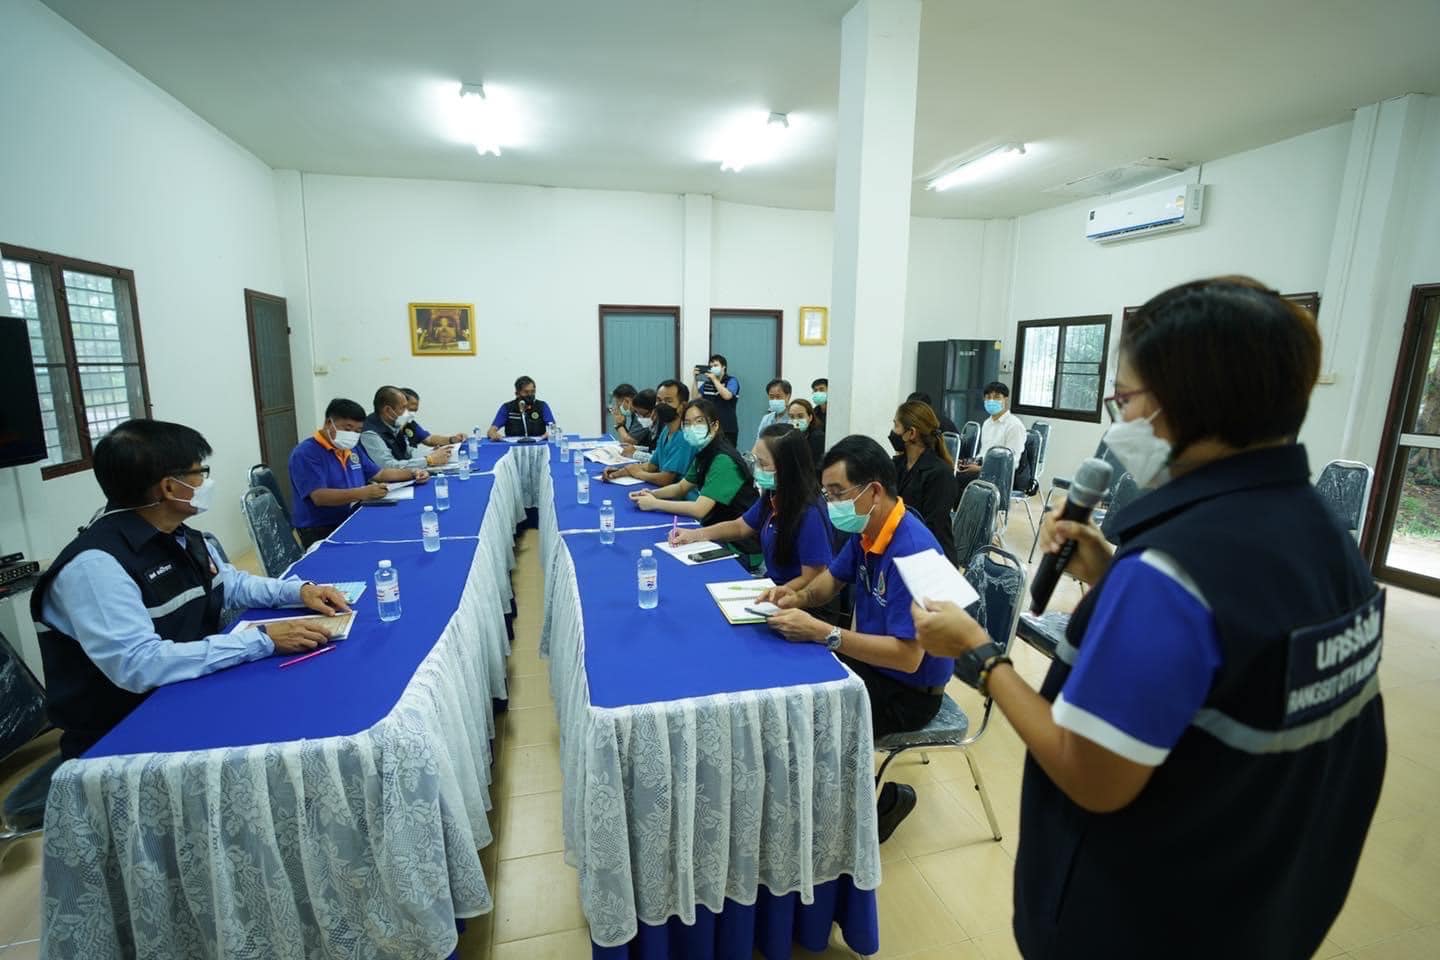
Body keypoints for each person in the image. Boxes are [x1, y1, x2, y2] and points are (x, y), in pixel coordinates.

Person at [908, 277, 1386, 958]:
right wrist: (1111, 574)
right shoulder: (1324, 535)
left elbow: (1091, 774)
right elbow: (1235, 665)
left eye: (1125, 399)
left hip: (1145, 914)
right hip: (1266, 901)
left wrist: (981, 655)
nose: (1120, 420)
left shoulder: (1172, 570)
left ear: (1180, 403)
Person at [30, 419, 356, 758]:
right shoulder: (95, 567)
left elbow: (230, 583)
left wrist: (300, 592)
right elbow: (139, 664)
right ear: (170, 487)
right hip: (126, 737)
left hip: (191, 691)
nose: (206, 482)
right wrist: (263, 640)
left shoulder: (179, 535)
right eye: (200, 472)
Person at [758, 435, 955, 841]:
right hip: (874, 664)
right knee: (791, 686)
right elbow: (829, 582)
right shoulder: (868, 532)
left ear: (874, 491)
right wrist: (795, 596)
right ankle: (809, 806)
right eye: (827, 494)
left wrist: (826, 633)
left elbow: (908, 658)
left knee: (814, 718)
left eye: (837, 493)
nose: (831, 504)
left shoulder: (915, 551)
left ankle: (879, 806)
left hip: (909, 691)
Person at [670, 423, 832, 590]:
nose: (757, 469)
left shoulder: (810, 513)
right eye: (755, 461)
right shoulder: (773, 495)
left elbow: (813, 578)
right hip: (771, 585)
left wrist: (775, 595)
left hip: (793, 598)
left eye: (763, 464)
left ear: (787, 467)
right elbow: (740, 527)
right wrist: (695, 534)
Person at [291, 398, 430, 546]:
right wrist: (363, 493)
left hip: (353, 515)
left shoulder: (350, 448)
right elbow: (319, 496)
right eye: (347, 429)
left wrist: (413, 473)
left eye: (357, 431)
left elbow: (379, 474)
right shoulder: (306, 453)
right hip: (321, 527)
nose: (352, 435)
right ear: (328, 423)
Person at [630, 399, 758, 535]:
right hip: (714, 526)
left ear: (715, 425)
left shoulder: (724, 460)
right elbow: (681, 487)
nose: (692, 427)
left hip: (736, 538)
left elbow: (699, 509)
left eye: (699, 421)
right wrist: (651, 494)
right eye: (687, 423)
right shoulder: (704, 451)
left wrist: (654, 503)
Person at [891, 401, 960, 565]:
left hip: (931, 557)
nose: (893, 432)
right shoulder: (897, 465)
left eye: (896, 425)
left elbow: (932, 528)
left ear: (911, 433)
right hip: (904, 545)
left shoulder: (940, 474)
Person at [603, 380, 694, 485]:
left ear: (683, 406)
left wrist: (638, 473)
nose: (661, 405)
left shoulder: (684, 436)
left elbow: (666, 479)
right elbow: (652, 465)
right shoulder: (666, 431)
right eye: (659, 400)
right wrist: (621, 471)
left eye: (668, 401)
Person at [956, 381, 1027, 491]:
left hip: (1001, 476)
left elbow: (1011, 464)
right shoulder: (987, 423)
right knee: (951, 472)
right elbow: (983, 454)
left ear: (1006, 399)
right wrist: (968, 462)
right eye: (988, 397)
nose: (992, 401)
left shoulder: (1014, 426)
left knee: (958, 480)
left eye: (997, 397)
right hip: (983, 469)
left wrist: (981, 469)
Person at [361, 385, 452, 471]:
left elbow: (407, 452)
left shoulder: (394, 424)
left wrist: (431, 454)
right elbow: (388, 466)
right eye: (404, 408)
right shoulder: (370, 433)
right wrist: (429, 460)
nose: (407, 412)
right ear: (388, 410)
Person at [488, 376, 556, 440]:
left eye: (532, 391)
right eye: (526, 392)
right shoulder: (507, 408)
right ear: (517, 394)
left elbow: (553, 428)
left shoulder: (542, 406)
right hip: (514, 445)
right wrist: (494, 434)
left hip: (538, 445)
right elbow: (491, 431)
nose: (530, 395)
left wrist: (550, 433)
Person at [695, 354, 741, 445]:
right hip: (710, 427)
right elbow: (695, 398)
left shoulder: (732, 381)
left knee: (727, 452)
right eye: (711, 366)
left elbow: (727, 396)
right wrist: (695, 380)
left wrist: (714, 379)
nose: (712, 368)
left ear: (723, 367)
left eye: (715, 365)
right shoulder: (707, 383)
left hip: (727, 428)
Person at [400, 387, 466, 448]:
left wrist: (453, 439)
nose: (412, 414)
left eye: (414, 411)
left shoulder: (410, 425)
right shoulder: (393, 432)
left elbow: (429, 439)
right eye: (410, 410)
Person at [786, 398, 827, 477]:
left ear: (810, 417)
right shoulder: (788, 436)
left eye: (800, 416)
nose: (796, 420)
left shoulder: (818, 438)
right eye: (792, 417)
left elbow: (815, 468)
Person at [618, 388, 658, 455]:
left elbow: (658, 458)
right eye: (637, 413)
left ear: (654, 411)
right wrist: (636, 448)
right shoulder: (653, 426)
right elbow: (651, 448)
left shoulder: (663, 428)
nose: (640, 417)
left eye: (643, 415)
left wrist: (635, 453)